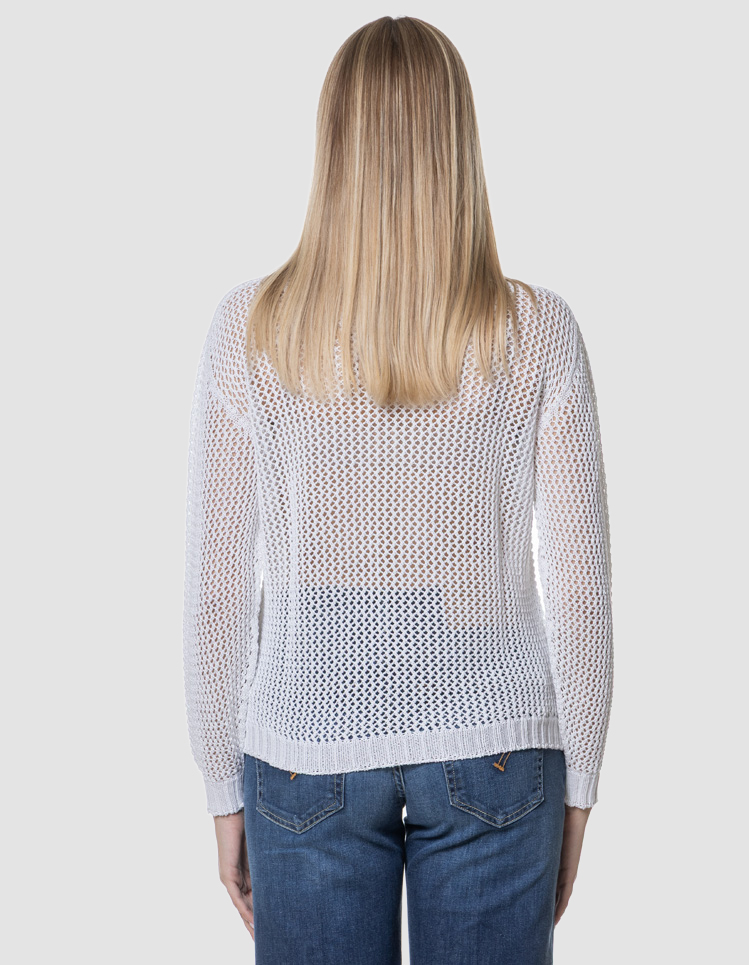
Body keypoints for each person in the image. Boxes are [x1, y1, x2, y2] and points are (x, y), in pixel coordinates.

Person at [182, 15, 614, 965]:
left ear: (332, 141)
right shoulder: (537, 329)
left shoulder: (250, 329)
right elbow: (581, 588)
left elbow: (217, 586)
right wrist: (579, 788)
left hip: (304, 738)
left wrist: (221, 788)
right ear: (458, 142)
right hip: (497, 737)